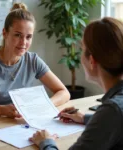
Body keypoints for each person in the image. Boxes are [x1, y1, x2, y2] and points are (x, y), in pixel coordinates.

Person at [29, 17, 123, 150]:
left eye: (82, 50)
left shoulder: (112, 110)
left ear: (92, 61)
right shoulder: (114, 111)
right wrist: (85, 118)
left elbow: (113, 116)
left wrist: (46, 142)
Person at [0, 3, 70, 118]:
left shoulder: (33, 60)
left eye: (28, 37)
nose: (23, 43)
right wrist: (3, 110)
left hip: (19, 123)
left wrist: (43, 104)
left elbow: (64, 92)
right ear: (5, 33)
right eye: (18, 35)